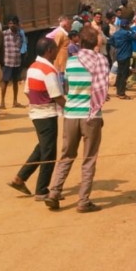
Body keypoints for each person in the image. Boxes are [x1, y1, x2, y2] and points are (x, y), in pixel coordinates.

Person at [44, 26, 109, 212]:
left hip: (71, 113)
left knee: (66, 155)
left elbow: (67, 85)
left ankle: (54, 193)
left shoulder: (71, 61)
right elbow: (103, 89)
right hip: (91, 114)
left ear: (79, 41)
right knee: (89, 159)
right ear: (95, 41)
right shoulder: (101, 61)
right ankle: (83, 201)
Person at [6, 37, 64, 201]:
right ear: (49, 51)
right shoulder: (48, 70)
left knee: (42, 148)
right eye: (55, 48)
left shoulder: (33, 67)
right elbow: (57, 96)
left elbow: (27, 91)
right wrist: (71, 110)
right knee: (49, 153)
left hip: (36, 112)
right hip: (47, 114)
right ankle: (42, 190)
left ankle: (20, 178)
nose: (57, 51)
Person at [0, 15, 27, 109]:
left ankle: (15, 101)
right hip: (8, 61)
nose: (12, 25)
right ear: (8, 24)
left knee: (15, 82)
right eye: (10, 23)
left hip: (17, 61)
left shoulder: (20, 34)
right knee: (5, 81)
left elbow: (23, 46)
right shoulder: (4, 34)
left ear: (17, 24)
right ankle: (2, 102)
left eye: (14, 23)